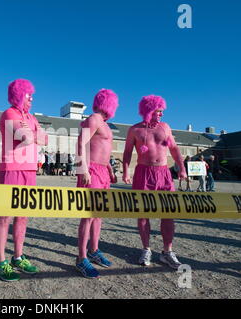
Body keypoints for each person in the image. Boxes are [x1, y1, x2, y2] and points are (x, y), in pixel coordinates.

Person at [122, 95, 187, 270]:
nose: (161, 115)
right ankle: (146, 249)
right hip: (143, 173)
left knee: (168, 213)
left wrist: (181, 168)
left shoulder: (165, 127)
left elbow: (173, 148)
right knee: (143, 214)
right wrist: (126, 170)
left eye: (162, 111)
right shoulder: (135, 130)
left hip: (164, 174)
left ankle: (167, 252)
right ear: (148, 110)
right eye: (158, 111)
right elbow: (127, 152)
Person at [0, 79, 48, 282]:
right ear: (19, 95)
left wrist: (34, 133)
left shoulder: (31, 117)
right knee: (5, 216)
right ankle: (0, 262)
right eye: (28, 95)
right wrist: (34, 133)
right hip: (11, 169)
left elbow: (45, 139)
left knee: (23, 215)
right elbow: (25, 135)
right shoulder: (9, 113)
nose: (32, 98)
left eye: (32, 95)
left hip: (30, 170)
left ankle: (18, 257)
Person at [76, 89, 119, 279]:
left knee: (99, 214)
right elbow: (81, 142)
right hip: (91, 170)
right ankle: (81, 258)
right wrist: (83, 168)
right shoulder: (93, 118)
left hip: (103, 172)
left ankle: (94, 250)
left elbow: (103, 150)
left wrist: (109, 168)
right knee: (88, 215)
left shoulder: (106, 125)